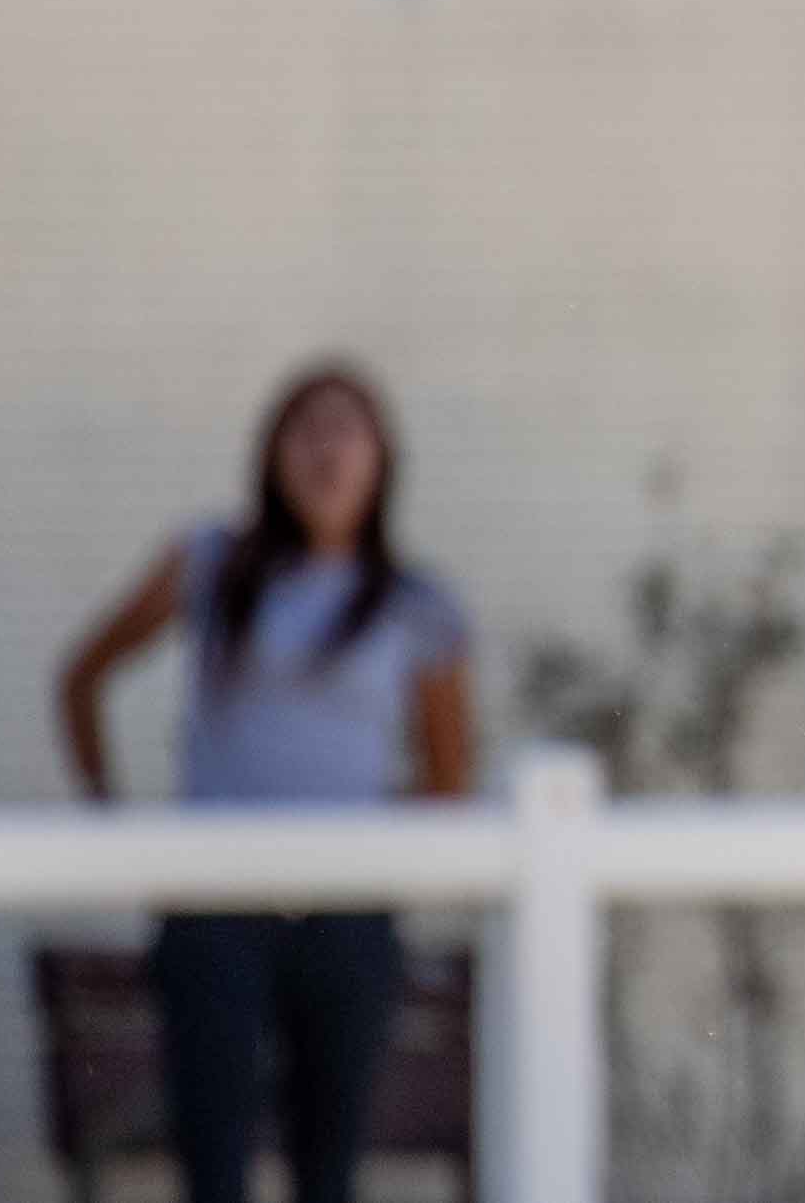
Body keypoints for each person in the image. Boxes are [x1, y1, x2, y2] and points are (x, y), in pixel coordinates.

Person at [56, 364, 474, 1203]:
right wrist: (112, 817)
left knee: (330, 1171)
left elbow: (448, 778)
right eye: (306, 430)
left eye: (347, 431)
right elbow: (83, 676)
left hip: (348, 917)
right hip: (215, 912)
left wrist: (360, 824)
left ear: (383, 459)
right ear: (272, 452)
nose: (326, 452)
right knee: (212, 1167)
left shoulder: (416, 603)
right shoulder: (209, 562)